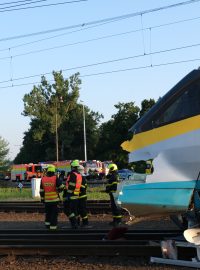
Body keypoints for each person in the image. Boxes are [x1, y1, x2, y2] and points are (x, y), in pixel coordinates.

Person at [40, 164, 64, 231]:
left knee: (48, 213)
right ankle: (53, 228)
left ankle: (47, 225)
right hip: (54, 200)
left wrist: (42, 199)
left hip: (47, 201)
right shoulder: (55, 178)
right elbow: (62, 187)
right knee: (54, 214)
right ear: (53, 171)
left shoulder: (43, 179)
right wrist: (58, 190)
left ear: (47, 170)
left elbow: (41, 191)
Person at [63, 160, 82, 229]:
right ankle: (77, 223)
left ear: (72, 167)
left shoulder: (72, 174)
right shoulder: (79, 174)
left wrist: (68, 194)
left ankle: (74, 223)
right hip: (76, 195)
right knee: (75, 211)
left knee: (67, 210)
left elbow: (71, 185)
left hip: (71, 195)